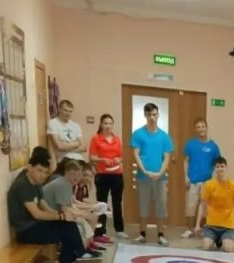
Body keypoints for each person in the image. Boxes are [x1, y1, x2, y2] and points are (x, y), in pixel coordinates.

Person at [7, 151, 93, 263]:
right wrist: (61, 216)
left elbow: (44, 206)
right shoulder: (23, 186)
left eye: (45, 172)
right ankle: (74, 259)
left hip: (36, 225)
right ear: (29, 168)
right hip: (26, 231)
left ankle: (73, 260)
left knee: (68, 225)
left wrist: (62, 215)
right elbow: (37, 214)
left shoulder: (36, 183)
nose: (43, 175)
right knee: (67, 231)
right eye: (39, 170)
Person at [130, 102, 174, 246]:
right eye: (149, 115)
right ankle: (142, 234)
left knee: (161, 206)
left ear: (158, 115)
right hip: (143, 176)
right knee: (143, 205)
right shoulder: (138, 134)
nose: (152, 117)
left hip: (160, 178)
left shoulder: (164, 136)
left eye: (154, 114)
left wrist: (160, 172)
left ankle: (160, 235)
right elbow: (136, 154)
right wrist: (144, 171)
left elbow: (167, 157)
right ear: (145, 115)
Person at [196, 156, 234, 253]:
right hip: (211, 224)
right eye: (217, 167)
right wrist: (197, 224)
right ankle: (214, 239)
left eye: (222, 166)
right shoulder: (209, 185)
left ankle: (222, 240)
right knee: (206, 247)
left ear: (226, 167)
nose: (220, 169)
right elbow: (202, 204)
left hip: (228, 226)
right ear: (214, 169)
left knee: (228, 249)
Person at [182, 118, 220, 238]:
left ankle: (202, 230)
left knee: (205, 207)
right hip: (192, 181)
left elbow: (218, 164)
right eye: (198, 127)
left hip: (207, 182)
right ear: (195, 129)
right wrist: (186, 176)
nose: (201, 129)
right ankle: (189, 229)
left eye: (203, 126)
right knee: (190, 206)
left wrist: (215, 179)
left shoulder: (213, 146)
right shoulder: (190, 144)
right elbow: (186, 161)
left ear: (206, 127)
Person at [89, 113, 124, 238]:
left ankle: (119, 229)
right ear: (101, 124)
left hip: (117, 174)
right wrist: (102, 160)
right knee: (102, 203)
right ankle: (100, 231)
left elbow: (120, 156)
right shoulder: (96, 139)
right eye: (105, 123)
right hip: (102, 175)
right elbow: (92, 157)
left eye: (110, 123)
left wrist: (118, 160)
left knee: (117, 202)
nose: (108, 126)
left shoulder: (116, 139)